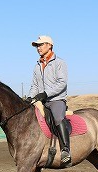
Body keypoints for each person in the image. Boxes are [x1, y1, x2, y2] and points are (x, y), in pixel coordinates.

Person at [26, 35, 71, 164]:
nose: (38, 48)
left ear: (49, 45)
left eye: (41, 45)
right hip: (42, 100)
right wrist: (30, 97)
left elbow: (62, 83)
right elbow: (34, 85)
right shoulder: (37, 66)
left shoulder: (59, 63)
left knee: (57, 118)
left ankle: (65, 149)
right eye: (37, 46)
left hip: (56, 100)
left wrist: (45, 94)